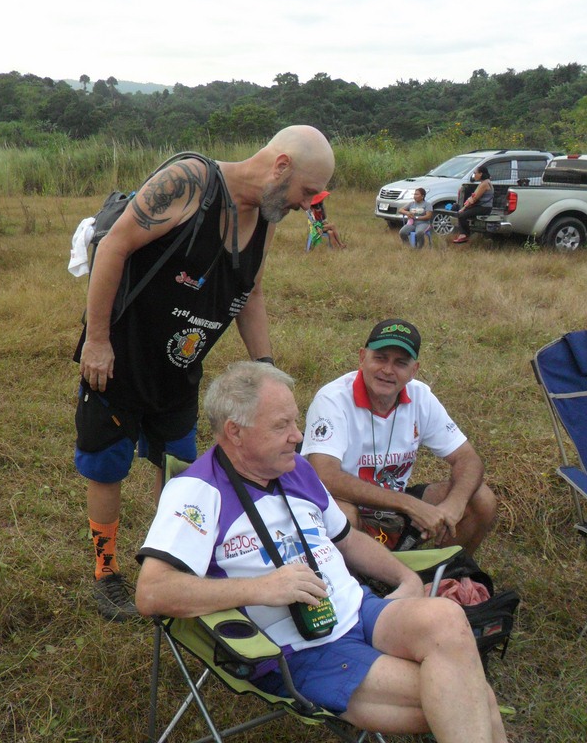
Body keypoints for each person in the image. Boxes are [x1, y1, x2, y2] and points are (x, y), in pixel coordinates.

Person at [135, 362, 508, 742]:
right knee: (472, 695)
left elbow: (347, 539)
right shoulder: (198, 492)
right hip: (302, 648)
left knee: (446, 617)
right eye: (281, 426)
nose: (297, 436)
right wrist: (261, 588)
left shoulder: (295, 469)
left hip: (358, 609)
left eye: (295, 421)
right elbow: (152, 592)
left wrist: (406, 578)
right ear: (235, 432)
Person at [75, 125, 336, 620]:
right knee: (106, 465)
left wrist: (266, 368)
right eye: (307, 191)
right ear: (281, 166)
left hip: (180, 369)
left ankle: (168, 564)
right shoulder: (191, 182)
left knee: (176, 468)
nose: (307, 205)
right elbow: (113, 247)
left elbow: (250, 292)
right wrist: (98, 340)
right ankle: (106, 572)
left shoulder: (265, 219)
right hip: (121, 359)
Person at [302, 319, 496, 555]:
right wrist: (409, 505)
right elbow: (325, 476)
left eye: (400, 363)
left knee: (481, 500)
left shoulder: (421, 397)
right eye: (380, 358)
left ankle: (445, 570)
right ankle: (352, 576)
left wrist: (455, 503)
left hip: (396, 506)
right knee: (344, 515)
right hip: (348, 503)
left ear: (414, 370)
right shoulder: (332, 399)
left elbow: (468, 458)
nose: (387, 370)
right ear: (362, 358)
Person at [452, 166, 493, 244]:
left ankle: (465, 235)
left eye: (475, 173)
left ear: (481, 174)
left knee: (462, 215)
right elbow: (473, 197)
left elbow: (474, 198)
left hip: (484, 208)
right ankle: (464, 234)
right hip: (481, 206)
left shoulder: (484, 184)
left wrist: (463, 208)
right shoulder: (484, 182)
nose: (474, 175)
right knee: (461, 212)